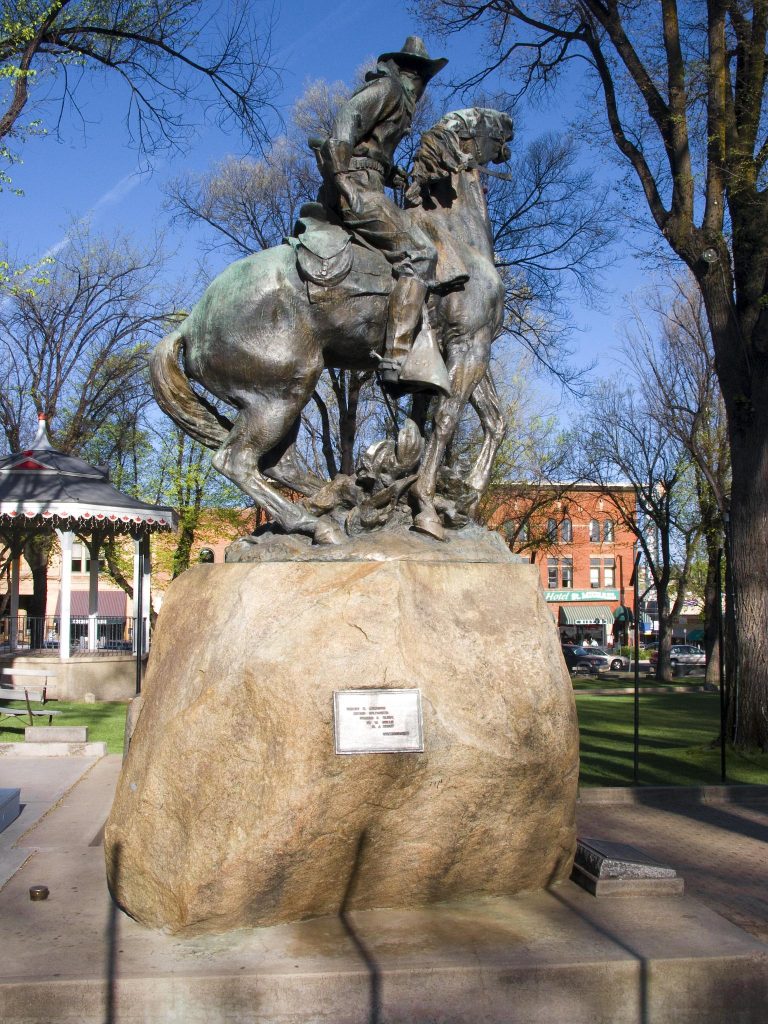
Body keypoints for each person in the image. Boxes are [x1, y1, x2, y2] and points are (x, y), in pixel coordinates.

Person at [317, 36, 464, 396]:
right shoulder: (389, 89)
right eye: (422, 76)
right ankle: (397, 357)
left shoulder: (397, 98)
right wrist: (343, 181)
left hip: (367, 182)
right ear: (411, 72)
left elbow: (371, 150)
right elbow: (346, 121)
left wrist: (393, 174)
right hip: (356, 188)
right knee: (422, 253)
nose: (423, 86)